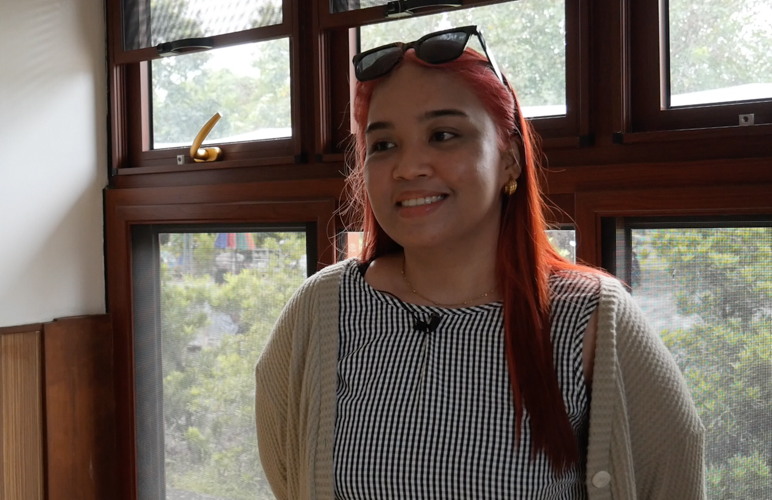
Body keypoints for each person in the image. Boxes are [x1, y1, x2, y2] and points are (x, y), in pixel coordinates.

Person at [256, 26, 704, 499]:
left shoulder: (591, 320)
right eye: (383, 145)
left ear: (509, 159)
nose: (409, 167)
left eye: (443, 135)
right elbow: (288, 472)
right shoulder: (321, 311)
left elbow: (670, 476)